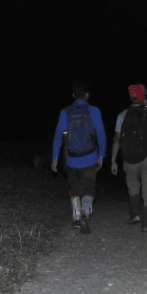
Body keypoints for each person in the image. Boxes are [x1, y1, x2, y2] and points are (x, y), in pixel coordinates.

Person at [51, 81, 106, 234]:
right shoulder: (94, 111)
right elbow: (101, 135)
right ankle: (85, 213)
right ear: (87, 95)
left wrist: (54, 158)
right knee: (88, 187)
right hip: (90, 157)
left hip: (71, 158)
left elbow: (58, 136)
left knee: (74, 187)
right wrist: (101, 155)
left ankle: (76, 217)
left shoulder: (65, 112)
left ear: (73, 95)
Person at [110, 84, 147, 232]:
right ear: (144, 96)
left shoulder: (122, 115)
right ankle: (146, 223)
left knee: (133, 185)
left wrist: (113, 160)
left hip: (129, 158)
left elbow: (117, 139)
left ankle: (135, 215)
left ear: (131, 97)